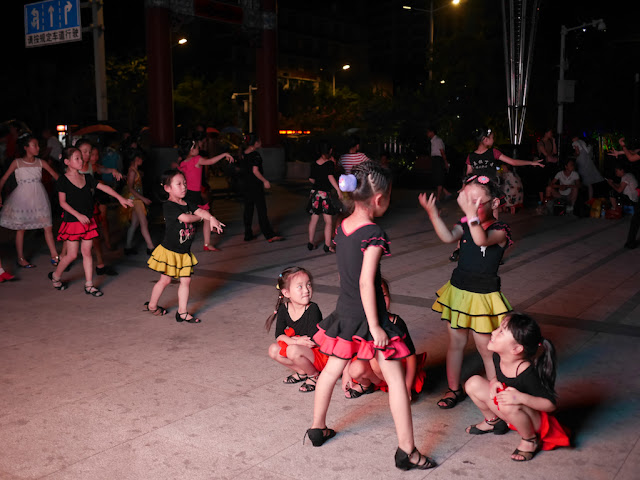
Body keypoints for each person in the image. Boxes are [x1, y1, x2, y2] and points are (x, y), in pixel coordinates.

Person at [307, 161, 436, 471]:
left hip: (345, 312)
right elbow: (367, 281)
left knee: (330, 372)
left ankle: (317, 428)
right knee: (395, 382)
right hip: (368, 316)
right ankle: (407, 451)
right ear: (379, 199)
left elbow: (347, 277)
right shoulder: (373, 233)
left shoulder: (343, 226)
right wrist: (376, 325)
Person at [419, 174, 513, 410]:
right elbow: (448, 236)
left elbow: (481, 240)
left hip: (483, 297)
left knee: (485, 348)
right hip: (459, 291)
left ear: (495, 203)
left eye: (476, 202)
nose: (470, 206)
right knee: (456, 343)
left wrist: (470, 215)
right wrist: (433, 215)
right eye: (466, 200)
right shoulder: (466, 223)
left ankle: (496, 393)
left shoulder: (500, 229)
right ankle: (454, 389)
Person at [464, 312, 570, 461]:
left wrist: (519, 398)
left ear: (516, 349)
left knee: (508, 404)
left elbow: (550, 405)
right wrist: (494, 382)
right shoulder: (498, 356)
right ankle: (493, 422)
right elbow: (495, 377)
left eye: (501, 332)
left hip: (533, 420)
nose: (493, 332)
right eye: (498, 328)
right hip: (508, 409)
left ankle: (530, 440)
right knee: (473, 383)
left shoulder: (526, 372)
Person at [48, 147, 133, 295]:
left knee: (87, 252)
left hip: (88, 220)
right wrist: (78, 215)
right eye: (77, 158)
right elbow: (62, 203)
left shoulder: (87, 178)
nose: (81, 161)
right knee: (72, 255)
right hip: (73, 221)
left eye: (81, 157)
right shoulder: (63, 180)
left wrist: (120, 198)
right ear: (67, 162)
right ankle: (56, 276)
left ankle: (89, 285)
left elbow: (104, 188)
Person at [145, 169, 224, 322]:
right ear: (167, 188)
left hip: (184, 252)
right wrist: (203, 218)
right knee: (165, 280)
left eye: (185, 183)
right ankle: (152, 306)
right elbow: (186, 218)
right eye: (178, 184)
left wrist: (212, 218)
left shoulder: (187, 202)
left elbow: (201, 210)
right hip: (170, 251)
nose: (183, 187)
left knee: (186, 281)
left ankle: (182, 312)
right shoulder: (169, 206)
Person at [343, 278, 427, 401]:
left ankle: (397, 387)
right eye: (374, 299)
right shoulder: (360, 323)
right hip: (376, 373)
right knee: (355, 368)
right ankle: (367, 385)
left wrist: (407, 387)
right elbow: (348, 350)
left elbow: (411, 357)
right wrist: (346, 373)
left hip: (397, 370)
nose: (380, 302)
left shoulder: (396, 322)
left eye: (384, 296)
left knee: (377, 357)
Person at [0, 133, 60, 268]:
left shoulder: (41, 162)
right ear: (26, 147)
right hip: (22, 198)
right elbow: (3, 179)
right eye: (35, 145)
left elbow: (56, 176)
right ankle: (21, 258)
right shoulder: (17, 163)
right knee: (21, 228)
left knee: (48, 226)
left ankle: (55, 256)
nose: (38, 148)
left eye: (38, 145)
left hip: (39, 197)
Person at [266, 266, 328, 393]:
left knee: (292, 350)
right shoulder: (284, 308)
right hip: (300, 349)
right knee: (273, 349)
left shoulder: (312, 309)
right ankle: (302, 371)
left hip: (318, 354)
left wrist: (291, 341)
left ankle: (314, 375)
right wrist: (295, 341)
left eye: (309, 285)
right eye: (300, 286)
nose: (306, 290)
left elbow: (311, 340)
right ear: (286, 293)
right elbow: (279, 335)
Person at [176, 137, 234, 252]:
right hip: (195, 195)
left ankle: (202, 243)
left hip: (187, 195)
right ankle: (206, 244)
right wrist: (224, 155)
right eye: (197, 147)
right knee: (204, 218)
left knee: (195, 219)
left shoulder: (182, 163)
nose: (199, 148)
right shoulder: (196, 159)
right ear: (191, 150)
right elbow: (211, 161)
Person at [239, 134, 284, 243]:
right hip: (255, 186)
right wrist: (265, 181)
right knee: (261, 210)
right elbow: (255, 171)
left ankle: (248, 234)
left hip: (246, 185)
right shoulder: (255, 155)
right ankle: (269, 235)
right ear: (255, 143)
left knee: (248, 210)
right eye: (259, 140)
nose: (261, 142)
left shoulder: (243, 154)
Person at [307, 140, 343, 252]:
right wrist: (338, 190)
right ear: (330, 151)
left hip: (314, 193)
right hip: (325, 194)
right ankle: (328, 245)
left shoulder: (314, 163)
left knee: (314, 219)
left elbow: (311, 179)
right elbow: (330, 177)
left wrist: (318, 183)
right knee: (328, 221)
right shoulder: (329, 164)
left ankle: (310, 242)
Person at [122, 150, 155, 255]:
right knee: (144, 223)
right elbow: (131, 188)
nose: (142, 161)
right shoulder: (132, 171)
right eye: (141, 159)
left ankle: (128, 247)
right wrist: (143, 199)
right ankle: (150, 247)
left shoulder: (134, 171)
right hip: (136, 200)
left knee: (135, 224)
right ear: (137, 159)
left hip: (136, 200)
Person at [427, 126, 451, 201]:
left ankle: (438, 198)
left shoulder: (437, 140)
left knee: (439, 177)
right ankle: (447, 193)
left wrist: (445, 162)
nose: (427, 134)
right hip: (435, 160)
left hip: (438, 159)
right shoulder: (433, 141)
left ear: (432, 132)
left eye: (428, 132)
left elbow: (442, 151)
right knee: (437, 178)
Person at [536, 129, 559, 201]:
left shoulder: (550, 142)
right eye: (550, 132)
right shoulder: (541, 142)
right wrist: (551, 158)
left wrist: (554, 142)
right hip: (543, 163)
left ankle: (548, 197)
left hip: (550, 164)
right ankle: (542, 199)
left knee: (549, 180)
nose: (551, 134)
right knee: (542, 182)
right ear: (546, 133)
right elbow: (545, 153)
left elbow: (554, 152)